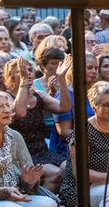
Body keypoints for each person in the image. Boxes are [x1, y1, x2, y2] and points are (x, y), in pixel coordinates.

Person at [6, 57, 69, 191]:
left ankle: (63, 203)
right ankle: (44, 201)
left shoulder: (38, 95)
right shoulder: (5, 97)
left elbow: (64, 107)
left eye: (29, 70)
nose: (27, 73)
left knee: (69, 168)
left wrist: (62, 79)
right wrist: (23, 82)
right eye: (21, 71)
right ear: (11, 77)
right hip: (22, 154)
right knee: (56, 173)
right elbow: (20, 112)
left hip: (42, 150)